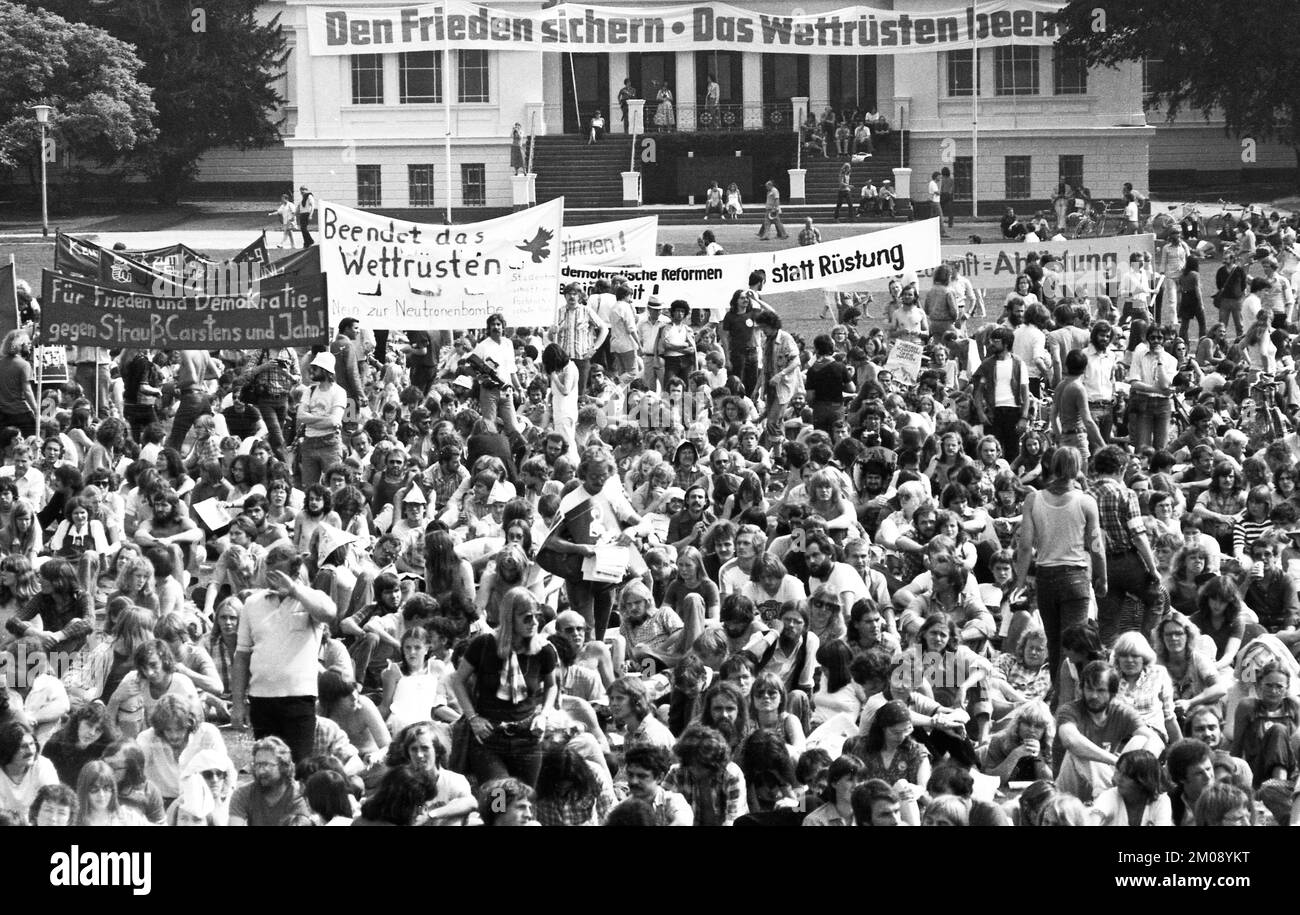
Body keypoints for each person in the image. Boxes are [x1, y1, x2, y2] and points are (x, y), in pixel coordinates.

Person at [230, 544, 339, 763]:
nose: (272, 579)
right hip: (261, 698)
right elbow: (242, 655)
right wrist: (238, 703)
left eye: (278, 574)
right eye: (269, 573)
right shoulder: (252, 603)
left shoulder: (310, 599)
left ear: (294, 572)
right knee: (268, 767)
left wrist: (294, 590)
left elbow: (329, 614)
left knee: (299, 766)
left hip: (299, 698)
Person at [1013, 447, 1106, 682]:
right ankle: (1073, 697)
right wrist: (1102, 577)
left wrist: (1020, 581)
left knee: (1054, 645)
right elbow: (1096, 546)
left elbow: (1025, 546)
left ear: (1052, 466)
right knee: (1076, 646)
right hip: (1075, 577)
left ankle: (1058, 696)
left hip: (1045, 577)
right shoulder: (1086, 501)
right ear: (1079, 468)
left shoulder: (1033, 499)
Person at [450, 587, 559, 786]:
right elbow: (457, 680)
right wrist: (473, 718)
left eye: (536, 617)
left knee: (524, 799)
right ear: (510, 618)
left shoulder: (543, 650)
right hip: (490, 738)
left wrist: (544, 714)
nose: (534, 623)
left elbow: (551, 686)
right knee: (498, 799)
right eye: (526, 618)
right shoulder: (483, 645)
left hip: (527, 737)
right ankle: (497, 816)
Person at [1054, 660, 1156, 802]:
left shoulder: (1121, 712)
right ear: (1081, 689)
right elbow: (1070, 740)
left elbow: (1155, 740)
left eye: (1100, 690)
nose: (1094, 696)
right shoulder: (1070, 710)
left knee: (1141, 740)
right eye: (1089, 689)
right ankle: (1109, 802)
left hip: (1110, 778)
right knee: (1079, 751)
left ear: (1112, 693)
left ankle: (1110, 800)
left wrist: (1135, 768)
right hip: (1069, 794)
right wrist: (1117, 761)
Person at [229, 735, 311, 826]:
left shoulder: (298, 796)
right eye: (257, 765)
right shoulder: (243, 794)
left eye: (266, 765)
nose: (261, 771)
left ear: (283, 766)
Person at [296, 351, 347, 488]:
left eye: (316, 368)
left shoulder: (339, 392)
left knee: (335, 485)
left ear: (325, 370)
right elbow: (300, 416)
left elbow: (334, 421)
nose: (312, 371)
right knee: (309, 487)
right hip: (309, 442)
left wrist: (310, 418)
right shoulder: (310, 390)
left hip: (329, 443)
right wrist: (324, 419)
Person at [0, 331, 37, 436]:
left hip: (3, 413)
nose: (30, 347)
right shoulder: (24, 365)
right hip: (21, 413)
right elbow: (27, 391)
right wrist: (36, 410)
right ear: (21, 345)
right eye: (28, 344)